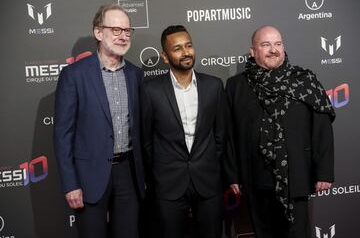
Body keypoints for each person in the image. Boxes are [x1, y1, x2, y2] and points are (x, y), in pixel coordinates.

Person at [226, 26, 335, 238]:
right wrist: (233, 175)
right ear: (253, 51)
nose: (273, 50)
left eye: (277, 44)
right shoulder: (236, 86)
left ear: (283, 47)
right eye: (265, 44)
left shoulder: (304, 81)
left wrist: (324, 172)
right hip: (256, 180)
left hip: (296, 179)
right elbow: (229, 133)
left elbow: (322, 128)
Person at [54, 4, 144, 238]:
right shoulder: (74, 75)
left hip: (128, 175)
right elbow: (63, 136)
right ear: (98, 33)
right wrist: (70, 184)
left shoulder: (136, 74)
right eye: (115, 29)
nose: (123, 36)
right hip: (89, 176)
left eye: (127, 30)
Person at [140, 25, 239, 238]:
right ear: (165, 57)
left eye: (189, 46)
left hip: (208, 181)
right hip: (168, 184)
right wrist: (158, 174)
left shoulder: (213, 86)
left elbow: (220, 134)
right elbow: (146, 141)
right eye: (177, 48)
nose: (185, 52)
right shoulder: (150, 90)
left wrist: (211, 164)